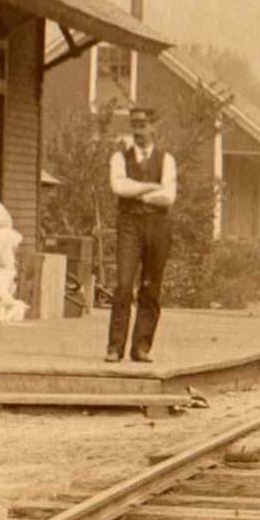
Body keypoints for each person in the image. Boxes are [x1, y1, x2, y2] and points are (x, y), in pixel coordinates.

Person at [106, 106, 178, 363]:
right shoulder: (119, 158)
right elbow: (118, 187)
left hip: (158, 226)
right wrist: (150, 188)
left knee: (150, 286)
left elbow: (168, 196)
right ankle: (115, 347)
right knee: (124, 284)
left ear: (154, 127)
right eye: (134, 125)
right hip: (130, 224)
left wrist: (136, 191)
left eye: (143, 125)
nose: (138, 131)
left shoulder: (166, 159)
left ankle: (142, 347)